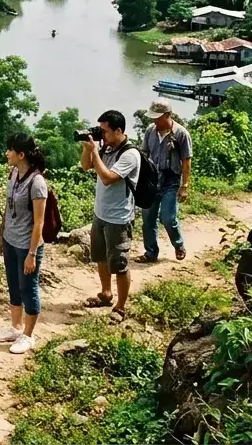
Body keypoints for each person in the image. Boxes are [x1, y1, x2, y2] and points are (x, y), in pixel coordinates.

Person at [80, 110, 140, 323]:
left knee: (120, 264)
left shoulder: (130, 155)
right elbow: (86, 166)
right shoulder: (106, 148)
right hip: (100, 214)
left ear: (119, 130)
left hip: (119, 218)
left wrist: (95, 152)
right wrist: (89, 149)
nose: (101, 135)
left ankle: (121, 307)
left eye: (104, 131)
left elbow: (107, 178)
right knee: (101, 257)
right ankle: (106, 293)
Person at [0, 132, 49, 355]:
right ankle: (15, 327)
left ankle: (28, 335)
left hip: (27, 244)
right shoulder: (14, 172)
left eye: (10, 150)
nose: (7, 153)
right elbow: (8, 207)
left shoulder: (37, 183)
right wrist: (1, 233)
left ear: (21, 154)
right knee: (14, 285)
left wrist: (32, 254)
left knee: (28, 288)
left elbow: (39, 223)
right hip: (10, 239)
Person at [138, 98, 192, 263]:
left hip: (171, 180)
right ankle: (151, 252)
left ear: (168, 115)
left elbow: (186, 161)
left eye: (158, 117)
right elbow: (144, 153)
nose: (155, 120)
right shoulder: (150, 131)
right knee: (148, 218)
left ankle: (178, 244)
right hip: (153, 179)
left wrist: (185, 185)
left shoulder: (181, 134)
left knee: (168, 218)